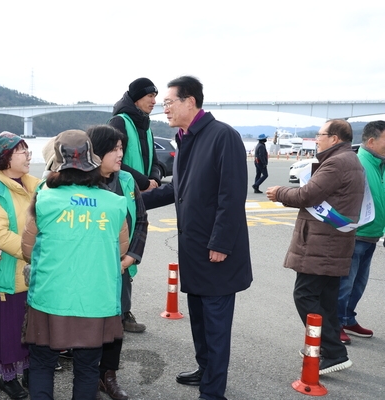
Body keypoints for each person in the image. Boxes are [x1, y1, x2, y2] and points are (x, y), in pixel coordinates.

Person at [142, 76, 253, 400]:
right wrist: (135, 200)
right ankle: (205, 370)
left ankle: (213, 391)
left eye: (168, 102)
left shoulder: (223, 137)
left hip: (215, 252)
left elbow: (231, 196)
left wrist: (220, 244)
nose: (164, 109)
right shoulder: (186, 139)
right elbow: (180, 188)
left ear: (190, 102)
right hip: (194, 251)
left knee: (216, 327)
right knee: (201, 322)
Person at [21, 129, 130, 400]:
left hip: (50, 297)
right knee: (87, 369)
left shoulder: (44, 197)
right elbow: (122, 248)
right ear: (92, 161)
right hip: (96, 301)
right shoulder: (115, 203)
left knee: (42, 364)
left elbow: (27, 249)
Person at [266, 119, 364, 375]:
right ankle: (329, 349)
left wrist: (279, 193)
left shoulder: (336, 162)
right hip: (332, 242)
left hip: (323, 243)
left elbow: (307, 195)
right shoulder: (348, 159)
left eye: (320, 135)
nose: (316, 139)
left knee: (305, 295)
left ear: (334, 138)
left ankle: (332, 350)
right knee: (326, 300)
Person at [87, 125, 148, 400]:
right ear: (97, 153)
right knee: (88, 323)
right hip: (90, 268)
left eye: (121, 148)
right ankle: (88, 375)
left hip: (120, 267)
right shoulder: (81, 182)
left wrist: (131, 256)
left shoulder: (125, 180)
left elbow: (141, 220)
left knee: (116, 322)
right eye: (114, 148)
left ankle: (107, 375)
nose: (120, 154)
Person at [0, 131, 41, 399]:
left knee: (33, 326)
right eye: (22, 151)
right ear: (5, 159)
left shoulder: (37, 186)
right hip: (9, 272)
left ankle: (29, 369)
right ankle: (8, 378)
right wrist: (36, 251)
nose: (28, 155)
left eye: (28, 151)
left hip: (37, 272)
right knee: (9, 328)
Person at [108, 77, 161, 332]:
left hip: (136, 193)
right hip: (119, 192)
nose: (154, 101)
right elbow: (112, 158)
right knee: (119, 250)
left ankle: (122, 310)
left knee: (130, 252)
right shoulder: (120, 121)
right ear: (137, 96)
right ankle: (115, 313)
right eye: (150, 96)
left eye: (155, 97)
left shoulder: (145, 124)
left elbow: (153, 161)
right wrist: (143, 181)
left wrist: (155, 178)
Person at [337, 120, 385, 344]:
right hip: (355, 234)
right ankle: (335, 323)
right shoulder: (358, 162)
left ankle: (347, 318)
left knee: (359, 282)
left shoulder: (380, 164)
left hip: (373, 235)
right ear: (372, 141)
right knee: (345, 283)